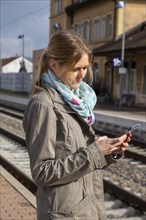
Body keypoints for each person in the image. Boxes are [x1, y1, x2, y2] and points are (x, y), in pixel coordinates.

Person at [23, 31, 131, 220]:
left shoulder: (76, 101)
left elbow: (79, 161)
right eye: (76, 69)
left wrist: (109, 151)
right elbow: (42, 172)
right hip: (63, 214)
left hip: (84, 210)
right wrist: (95, 152)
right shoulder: (44, 104)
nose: (82, 75)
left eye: (85, 68)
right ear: (54, 65)